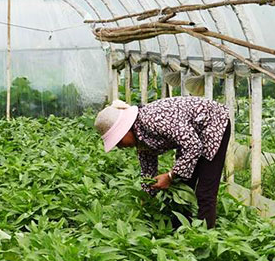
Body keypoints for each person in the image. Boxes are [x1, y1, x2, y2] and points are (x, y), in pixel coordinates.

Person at [94, 97, 231, 229]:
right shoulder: (140, 136)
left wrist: (170, 176)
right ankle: (181, 231)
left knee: (205, 191)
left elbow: (193, 146)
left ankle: (206, 236)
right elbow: (148, 170)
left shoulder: (151, 121)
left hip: (212, 123)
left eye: (118, 141)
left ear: (125, 129)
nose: (120, 147)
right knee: (183, 186)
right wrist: (146, 198)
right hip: (192, 135)